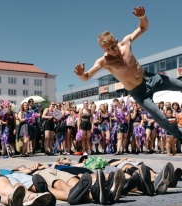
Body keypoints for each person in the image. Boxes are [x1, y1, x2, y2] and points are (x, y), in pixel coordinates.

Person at [74, 6, 182, 140]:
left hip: (150, 78)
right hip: (139, 93)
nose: (111, 51)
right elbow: (86, 78)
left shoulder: (126, 43)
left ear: (116, 40)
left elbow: (143, 28)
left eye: (112, 46)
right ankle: (180, 135)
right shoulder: (104, 61)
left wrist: (142, 17)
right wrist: (80, 74)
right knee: (160, 118)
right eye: (107, 49)